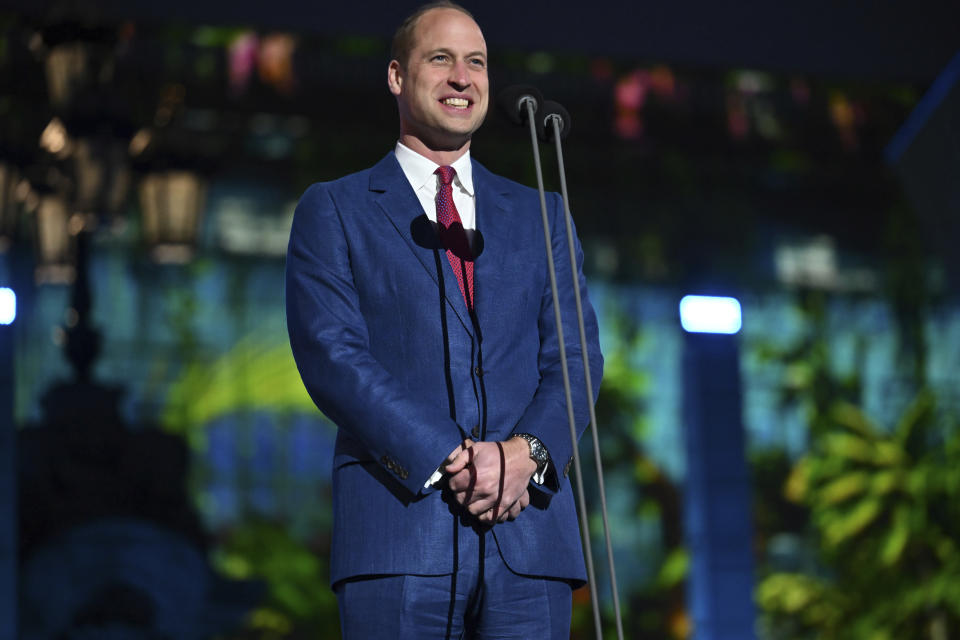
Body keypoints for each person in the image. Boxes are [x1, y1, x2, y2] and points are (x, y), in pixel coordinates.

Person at [285, 2, 603, 637]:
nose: (463, 77)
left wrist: (527, 454)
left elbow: (575, 357)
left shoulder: (542, 212)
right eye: (442, 59)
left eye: (477, 62)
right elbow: (333, 355)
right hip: (399, 534)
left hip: (529, 534)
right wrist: (448, 456)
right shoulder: (336, 208)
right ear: (397, 77)